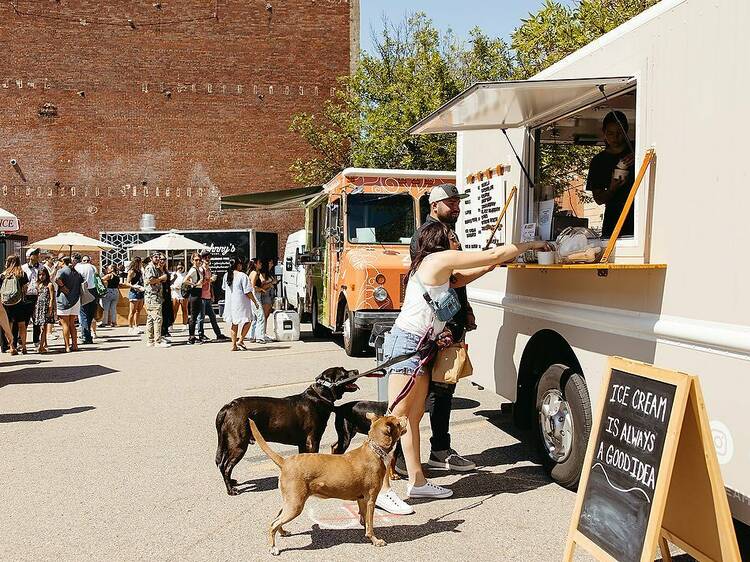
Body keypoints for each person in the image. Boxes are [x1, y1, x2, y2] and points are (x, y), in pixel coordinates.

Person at [375, 221, 548, 515]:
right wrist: (529, 245)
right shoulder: (437, 259)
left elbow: (461, 279)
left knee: (412, 418)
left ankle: (417, 482)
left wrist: (490, 267)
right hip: (406, 347)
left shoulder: (436, 268)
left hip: (419, 347)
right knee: (395, 421)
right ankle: (380, 490)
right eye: (453, 237)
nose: (457, 242)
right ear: (439, 240)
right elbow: (490, 255)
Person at [396, 183, 487, 478]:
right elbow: (446, 282)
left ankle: (434, 452)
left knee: (441, 389)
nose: (456, 207)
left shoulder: (448, 232)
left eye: (458, 202)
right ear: (434, 206)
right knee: (430, 395)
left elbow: (454, 284)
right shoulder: (430, 236)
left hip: (448, 322)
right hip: (435, 327)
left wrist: (466, 310)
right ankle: (425, 454)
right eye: (450, 203)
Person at [587, 110, 636, 238]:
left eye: (620, 133)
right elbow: (598, 199)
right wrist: (612, 188)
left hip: (639, 218)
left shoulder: (638, 149)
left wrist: (639, 155)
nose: (615, 137)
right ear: (604, 133)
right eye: (610, 133)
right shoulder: (599, 161)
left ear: (626, 131)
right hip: (613, 222)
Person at [222, 256, 259, 351]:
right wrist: (255, 301)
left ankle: (233, 345)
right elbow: (248, 291)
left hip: (231, 303)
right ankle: (241, 340)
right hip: (241, 303)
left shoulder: (227, 275)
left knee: (234, 323)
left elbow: (225, 288)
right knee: (248, 320)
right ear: (238, 265)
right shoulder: (242, 276)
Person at [197, 250, 228, 342]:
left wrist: (212, 294)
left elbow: (210, 284)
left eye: (209, 257)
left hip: (207, 296)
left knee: (213, 317)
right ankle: (200, 334)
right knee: (201, 317)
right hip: (201, 296)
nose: (207, 259)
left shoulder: (208, 269)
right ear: (202, 259)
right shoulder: (201, 270)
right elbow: (200, 282)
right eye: (205, 257)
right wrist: (210, 280)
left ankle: (218, 334)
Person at [1, 255, 29, 355]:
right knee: (22, 325)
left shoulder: (4, 275)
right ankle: (24, 347)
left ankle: (12, 347)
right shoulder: (22, 274)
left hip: (7, 303)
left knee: (9, 326)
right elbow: (25, 289)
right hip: (19, 302)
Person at [55, 256, 83, 353]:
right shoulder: (76, 272)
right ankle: (75, 345)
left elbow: (57, 279)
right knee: (72, 324)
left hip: (64, 300)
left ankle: (67, 346)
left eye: (59, 261)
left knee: (64, 324)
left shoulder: (62, 270)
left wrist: (62, 286)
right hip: (75, 300)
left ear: (62, 261)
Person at [143, 252, 169, 347]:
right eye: (155, 257)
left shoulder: (155, 268)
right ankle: (157, 341)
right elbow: (150, 281)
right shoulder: (150, 268)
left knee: (150, 319)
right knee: (158, 318)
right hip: (152, 296)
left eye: (159, 257)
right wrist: (161, 278)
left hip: (155, 296)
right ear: (151, 258)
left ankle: (150, 340)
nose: (158, 259)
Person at [73, 253, 98, 345]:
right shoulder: (93, 267)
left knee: (83, 314)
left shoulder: (78, 268)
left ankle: (86, 336)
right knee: (90, 315)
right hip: (93, 291)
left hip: (83, 291)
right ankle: (87, 335)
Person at [21, 248, 42, 350]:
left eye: (37, 254)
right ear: (29, 256)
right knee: (24, 319)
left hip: (37, 295)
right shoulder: (23, 268)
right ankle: (22, 340)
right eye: (35, 254)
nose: (37, 256)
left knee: (36, 319)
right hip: (27, 295)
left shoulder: (41, 267)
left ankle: (36, 340)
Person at [183, 253, 205, 345]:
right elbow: (185, 280)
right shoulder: (193, 270)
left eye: (199, 260)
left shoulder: (198, 269)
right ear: (192, 261)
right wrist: (195, 284)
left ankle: (193, 336)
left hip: (198, 293)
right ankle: (191, 337)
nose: (198, 261)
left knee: (195, 316)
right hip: (194, 293)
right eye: (196, 260)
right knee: (193, 316)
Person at [32, 267, 55, 353]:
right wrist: (35, 308)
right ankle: (44, 344)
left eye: (43, 275)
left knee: (44, 327)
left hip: (46, 307)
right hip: (39, 307)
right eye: (40, 275)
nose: (41, 276)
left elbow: (52, 298)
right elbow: (37, 296)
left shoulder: (49, 285)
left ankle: (41, 346)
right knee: (40, 326)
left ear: (46, 275)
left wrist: (50, 308)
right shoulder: (39, 284)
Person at [247, 258, 267, 344]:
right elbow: (252, 287)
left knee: (255, 318)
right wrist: (261, 289)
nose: (261, 264)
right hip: (255, 297)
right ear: (255, 264)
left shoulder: (254, 273)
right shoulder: (254, 273)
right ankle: (260, 337)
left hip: (254, 297)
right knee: (261, 317)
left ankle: (252, 336)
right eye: (259, 263)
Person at [126, 257, 145, 334]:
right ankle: (130, 327)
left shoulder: (140, 271)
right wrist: (135, 286)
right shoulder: (132, 271)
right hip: (134, 292)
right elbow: (127, 283)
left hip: (141, 291)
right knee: (132, 311)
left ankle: (136, 326)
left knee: (138, 311)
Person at [259, 259, 276, 342]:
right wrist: (271, 283)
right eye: (270, 263)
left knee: (267, 315)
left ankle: (264, 333)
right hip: (265, 295)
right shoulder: (263, 274)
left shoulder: (270, 273)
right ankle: (263, 333)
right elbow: (262, 286)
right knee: (264, 316)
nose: (272, 264)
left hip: (270, 295)